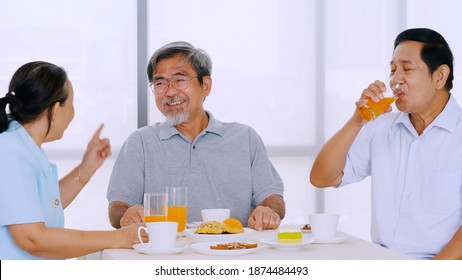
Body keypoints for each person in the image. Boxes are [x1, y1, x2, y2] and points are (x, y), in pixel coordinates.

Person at [310, 28, 462, 259]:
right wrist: (356, 121)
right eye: (392, 70)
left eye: (407, 69)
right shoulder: (381, 126)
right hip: (381, 261)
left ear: (439, 76)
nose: (394, 80)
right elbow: (322, 177)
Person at [107, 41, 285, 231]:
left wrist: (267, 211)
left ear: (205, 85)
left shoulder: (245, 138)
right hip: (164, 252)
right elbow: (117, 206)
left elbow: (273, 198)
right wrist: (127, 214)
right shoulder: (140, 142)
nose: (170, 91)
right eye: (159, 83)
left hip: (232, 250)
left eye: (179, 80)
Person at [0, 61, 144, 260]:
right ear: (56, 108)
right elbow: (32, 239)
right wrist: (117, 238)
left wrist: (86, 168)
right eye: (71, 103)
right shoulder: (11, 151)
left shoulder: (21, 146)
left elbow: (41, 205)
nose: (73, 112)